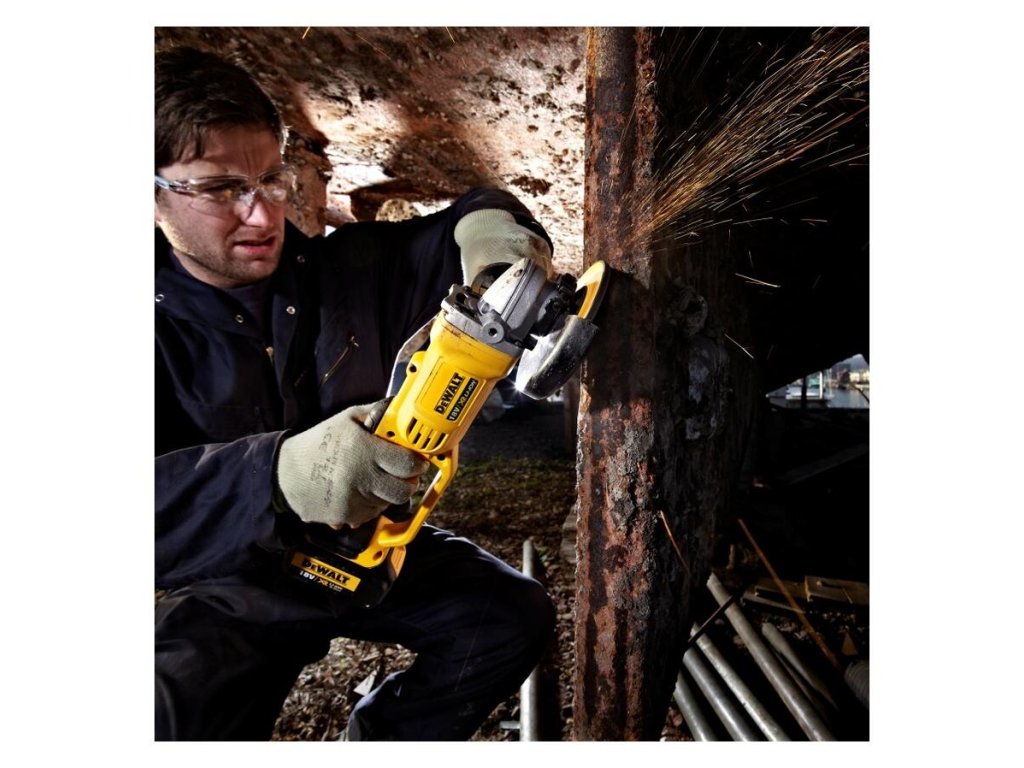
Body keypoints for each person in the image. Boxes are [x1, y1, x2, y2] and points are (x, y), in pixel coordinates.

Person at [154, 46, 556, 741]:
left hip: (365, 546)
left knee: (508, 617)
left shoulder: (343, 268)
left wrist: (494, 242)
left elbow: (469, 216)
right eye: (221, 189)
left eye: (272, 179)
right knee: (166, 719)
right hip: (236, 575)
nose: (262, 215)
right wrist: (278, 477)